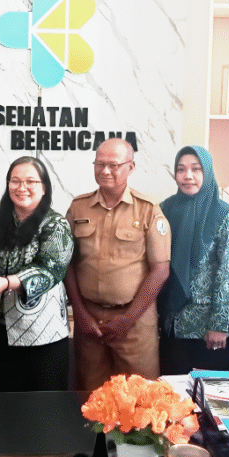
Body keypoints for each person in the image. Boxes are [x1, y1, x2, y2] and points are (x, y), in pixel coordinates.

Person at [65, 138, 171, 391]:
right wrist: (79, 314)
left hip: (135, 324)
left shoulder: (148, 210)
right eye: (99, 164)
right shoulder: (78, 208)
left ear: (130, 168)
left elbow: (160, 270)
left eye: (113, 165)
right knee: (91, 400)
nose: (105, 171)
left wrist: (127, 319)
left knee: (139, 402)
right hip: (89, 322)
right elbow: (67, 265)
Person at [0, 157, 73, 392]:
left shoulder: (55, 225)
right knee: (3, 407)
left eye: (31, 181)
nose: (22, 187)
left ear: (44, 188)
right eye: (15, 181)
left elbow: (51, 269)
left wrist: (10, 282)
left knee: (43, 411)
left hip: (42, 336)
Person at [157, 146, 229, 374]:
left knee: (209, 398)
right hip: (172, 324)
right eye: (181, 170)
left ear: (208, 172)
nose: (188, 176)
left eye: (196, 169)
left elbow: (227, 273)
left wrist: (219, 325)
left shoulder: (224, 214)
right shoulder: (166, 209)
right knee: (172, 397)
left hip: (208, 329)